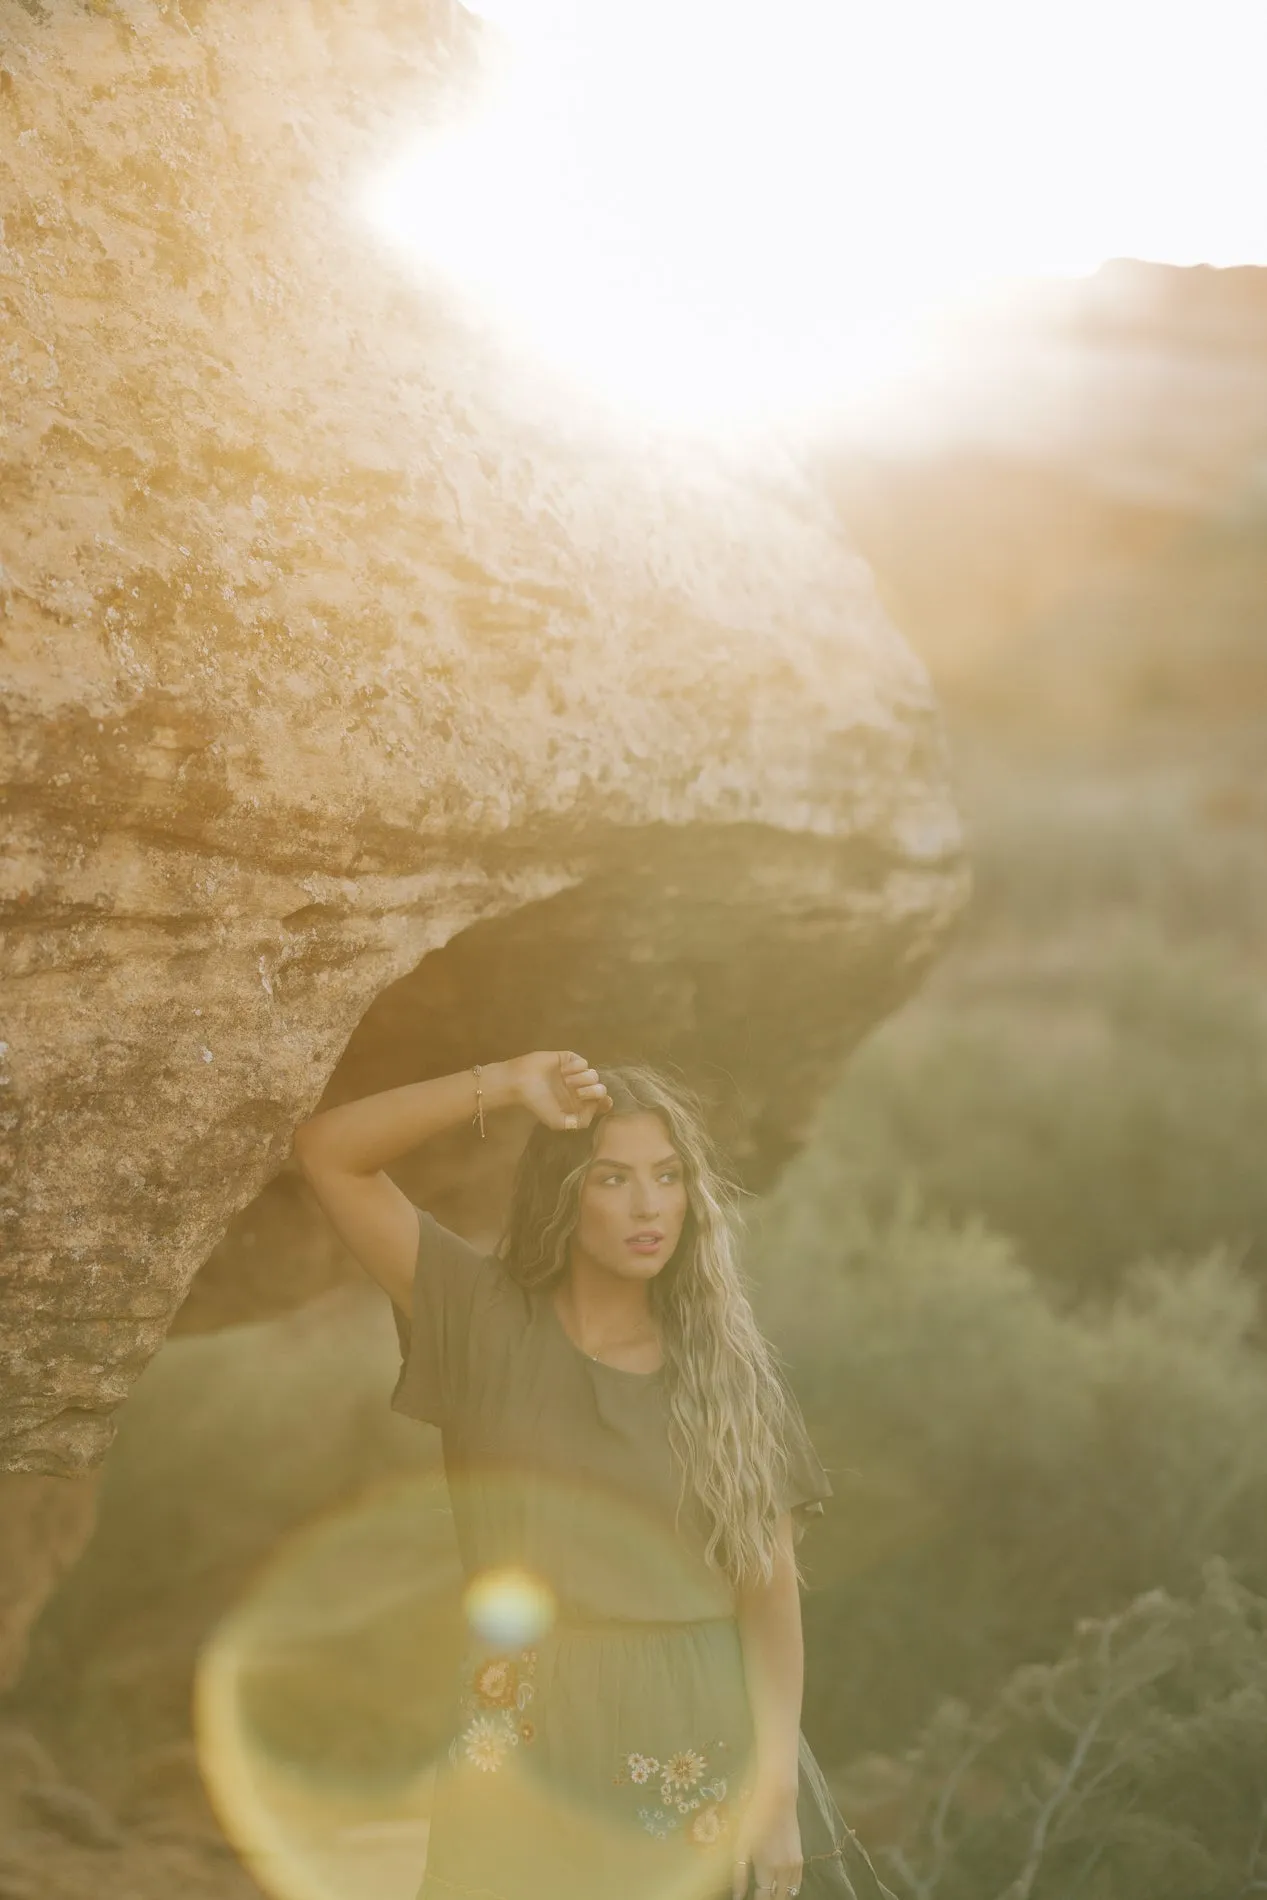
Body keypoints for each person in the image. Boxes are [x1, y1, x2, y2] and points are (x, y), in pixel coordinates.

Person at [293, 1050, 896, 1900]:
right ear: (564, 1193)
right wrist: (504, 1086)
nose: (648, 1205)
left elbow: (768, 1600)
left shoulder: (727, 1378)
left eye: (668, 1176)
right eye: (612, 1178)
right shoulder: (482, 1323)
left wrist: (774, 1799)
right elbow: (329, 1150)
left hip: (701, 1748)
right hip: (522, 1745)